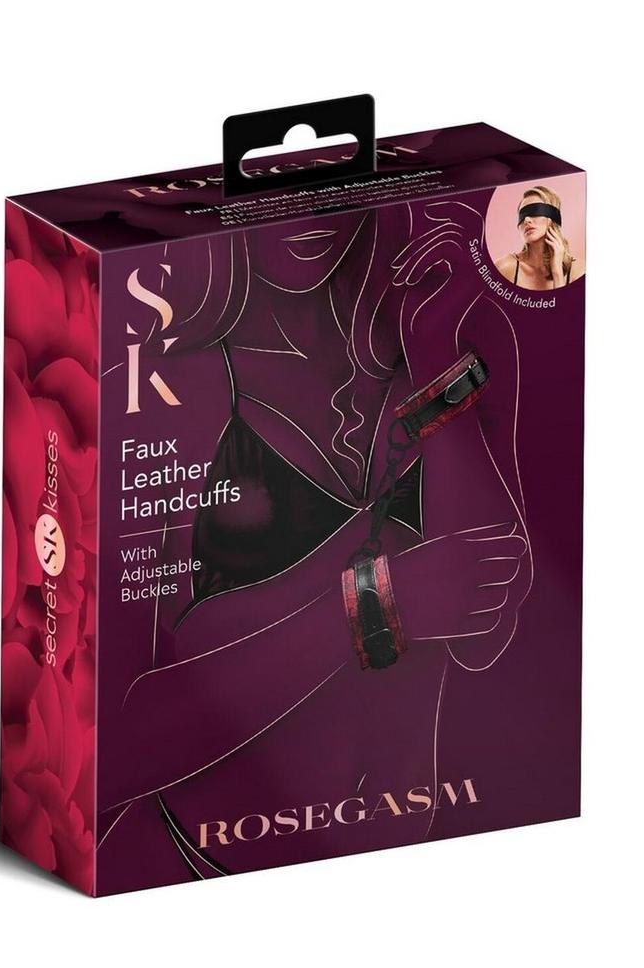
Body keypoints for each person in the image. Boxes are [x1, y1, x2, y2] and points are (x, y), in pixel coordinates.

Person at [97, 199, 533, 891]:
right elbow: (111, 750)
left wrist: (432, 359)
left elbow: (488, 632)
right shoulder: (162, 384)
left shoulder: (450, 335)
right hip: (184, 875)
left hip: (408, 870)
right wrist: (378, 606)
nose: (308, 218)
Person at [496, 185, 583, 288]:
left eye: (534, 211)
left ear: (553, 217)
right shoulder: (505, 267)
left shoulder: (579, 271)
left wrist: (557, 273)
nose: (526, 220)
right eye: (522, 216)